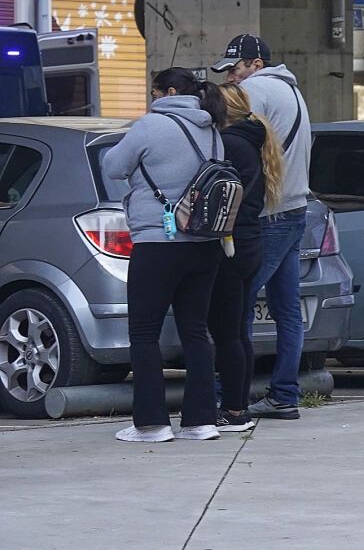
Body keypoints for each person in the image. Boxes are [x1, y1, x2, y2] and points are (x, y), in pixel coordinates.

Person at [100, 68, 228, 443]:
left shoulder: (150, 126)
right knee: (195, 332)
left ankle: (153, 424)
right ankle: (201, 421)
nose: (150, 99)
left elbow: (113, 167)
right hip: (205, 245)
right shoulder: (212, 130)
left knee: (143, 333)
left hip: (157, 244)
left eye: (153, 92)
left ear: (168, 92)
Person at [213, 34, 312, 421]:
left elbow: (233, 138)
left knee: (235, 307)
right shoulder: (294, 92)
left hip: (269, 214)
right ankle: (284, 393)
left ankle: (230, 396)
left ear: (255, 63)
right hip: (296, 208)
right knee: (287, 310)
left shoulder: (254, 90)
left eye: (235, 69)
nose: (233, 80)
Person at [208, 84, 282, 433]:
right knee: (237, 330)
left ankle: (234, 410)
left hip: (230, 244)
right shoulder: (253, 139)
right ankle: (237, 407)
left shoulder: (229, 143)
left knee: (226, 333)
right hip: (250, 240)